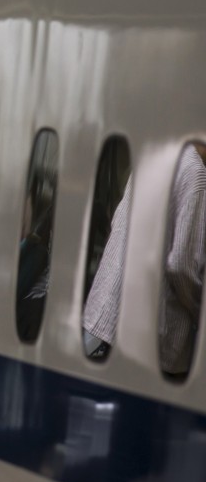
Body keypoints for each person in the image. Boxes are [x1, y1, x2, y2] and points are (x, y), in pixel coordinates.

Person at [83, 144, 206, 377]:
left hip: (105, 317)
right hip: (149, 341)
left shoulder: (153, 155)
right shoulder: (196, 172)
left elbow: (118, 223)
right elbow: (181, 266)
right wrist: (200, 308)